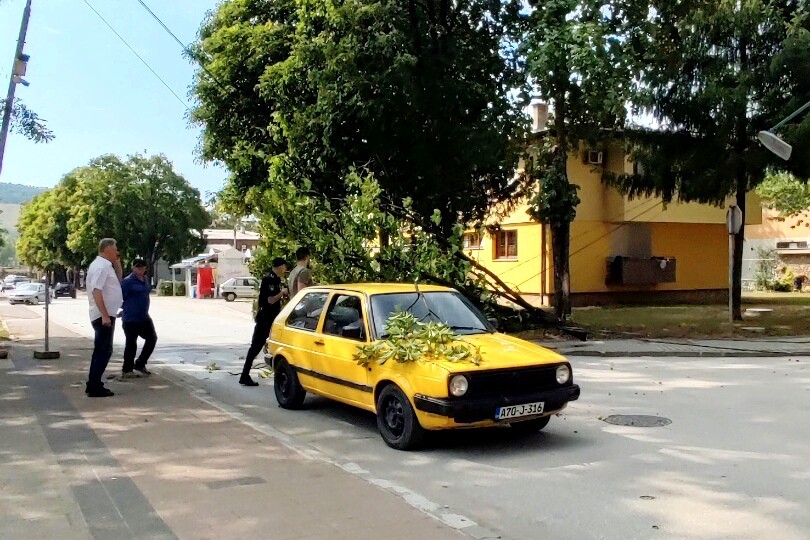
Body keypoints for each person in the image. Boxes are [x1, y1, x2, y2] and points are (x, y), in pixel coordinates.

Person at [239, 258, 288, 386]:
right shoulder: (269, 279)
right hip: (265, 318)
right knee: (255, 347)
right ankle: (244, 375)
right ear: (279, 267)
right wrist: (281, 294)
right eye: (284, 267)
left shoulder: (276, 279)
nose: (285, 270)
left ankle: (281, 376)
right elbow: (270, 300)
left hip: (273, 319)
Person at [85, 238, 123, 397]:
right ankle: (94, 386)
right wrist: (105, 315)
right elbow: (96, 290)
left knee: (101, 350)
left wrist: (118, 265)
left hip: (106, 314)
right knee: (104, 350)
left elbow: (118, 283)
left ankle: (93, 383)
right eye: (115, 249)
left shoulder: (106, 266)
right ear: (107, 249)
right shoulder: (101, 266)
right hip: (103, 316)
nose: (117, 252)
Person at [121, 258, 157, 378]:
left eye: (142, 267)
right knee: (131, 344)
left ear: (145, 268)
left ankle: (140, 363)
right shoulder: (128, 282)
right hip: (131, 318)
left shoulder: (145, 280)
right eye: (137, 267)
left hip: (144, 317)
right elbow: (120, 298)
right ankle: (127, 369)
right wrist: (126, 308)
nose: (140, 269)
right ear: (133, 268)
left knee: (152, 338)